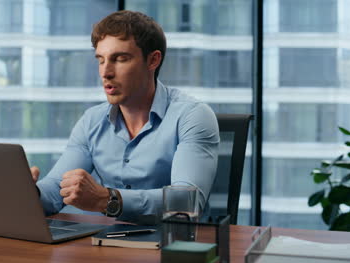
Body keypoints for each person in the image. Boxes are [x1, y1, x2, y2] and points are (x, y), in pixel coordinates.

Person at [30, 10, 219, 220]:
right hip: (111, 243)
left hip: (176, 246)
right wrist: (29, 194)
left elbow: (185, 203)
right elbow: (56, 189)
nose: (105, 72)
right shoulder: (91, 121)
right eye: (101, 60)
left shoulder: (192, 116)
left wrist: (108, 199)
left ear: (153, 60)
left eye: (120, 59)